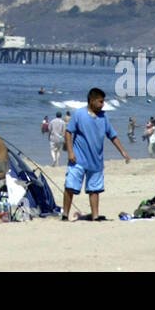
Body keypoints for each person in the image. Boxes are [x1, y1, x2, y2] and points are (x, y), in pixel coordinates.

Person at [61, 87, 130, 221]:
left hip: (96, 161)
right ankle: (65, 215)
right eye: (100, 101)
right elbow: (68, 132)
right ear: (92, 101)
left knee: (94, 190)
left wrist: (123, 151)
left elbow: (112, 135)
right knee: (70, 186)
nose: (102, 104)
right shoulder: (79, 114)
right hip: (78, 159)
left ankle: (95, 216)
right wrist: (70, 152)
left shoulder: (104, 117)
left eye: (103, 102)